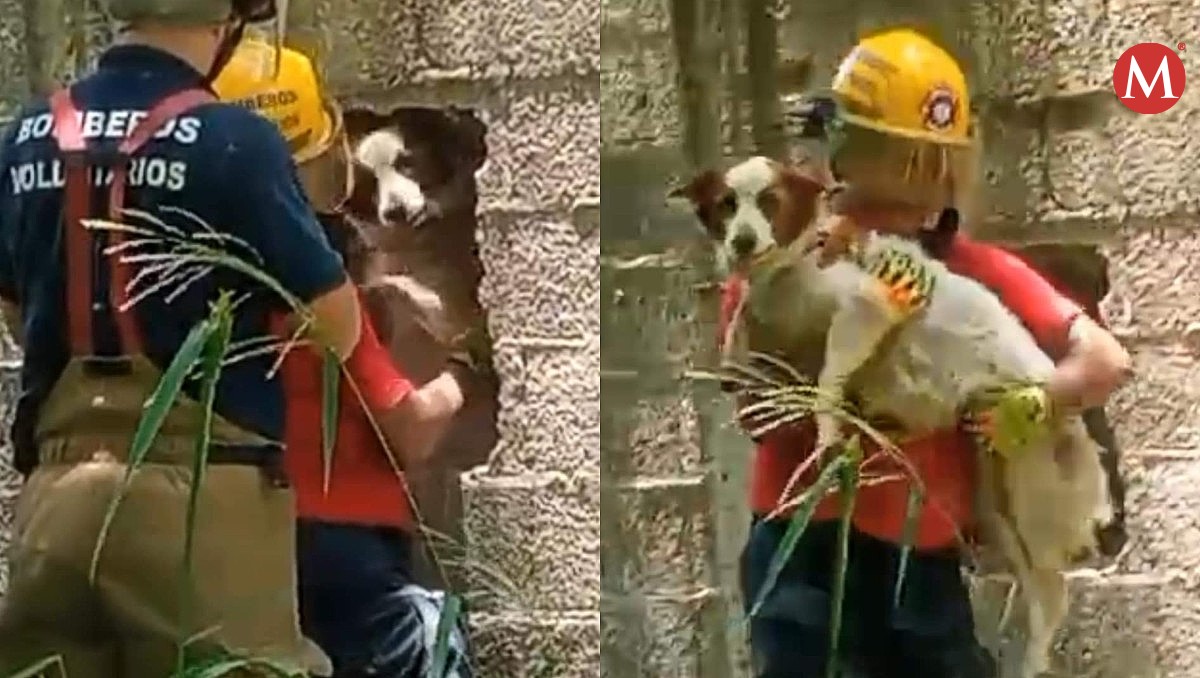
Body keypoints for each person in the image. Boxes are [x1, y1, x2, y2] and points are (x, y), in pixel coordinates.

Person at [730, 27, 1133, 678]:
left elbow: (1103, 363)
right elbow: (752, 406)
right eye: (907, 162)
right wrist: (848, 407)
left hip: (918, 571)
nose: (920, 188)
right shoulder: (784, 258)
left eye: (930, 165)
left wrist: (1033, 402)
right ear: (845, 151)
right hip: (805, 565)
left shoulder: (967, 273)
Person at [0, 1, 366, 675]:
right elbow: (335, 327)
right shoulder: (237, 140)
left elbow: (18, 314)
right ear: (227, 21)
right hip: (205, 501)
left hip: (55, 501)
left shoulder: (24, 136)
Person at [213, 38, 477, 677]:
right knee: (427, 642)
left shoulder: (196, 290)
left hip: (233, 549)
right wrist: (462, 375)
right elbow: (409, 428)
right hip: (343, 540)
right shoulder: (318, 287)